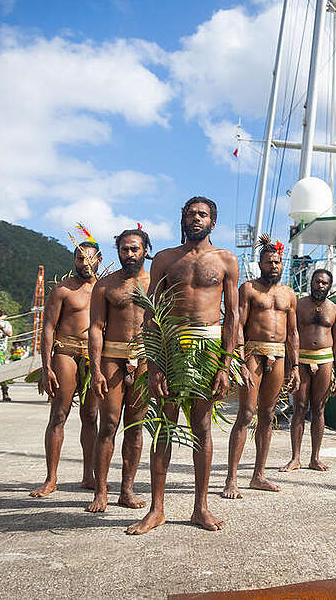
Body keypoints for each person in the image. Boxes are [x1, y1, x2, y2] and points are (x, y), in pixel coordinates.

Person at [126, 196, 238, 535]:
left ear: (213, 222)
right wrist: (153, 360)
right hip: (171, 346)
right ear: (182, 219)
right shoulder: (164, 259)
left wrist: (226, 363)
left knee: (201, 426)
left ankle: (200, 508)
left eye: (202, 214)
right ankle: (157, 509)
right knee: (164, 426)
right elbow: (150, 312)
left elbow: (233, 315)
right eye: (190, 214)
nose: (195, 219)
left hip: (207, 346)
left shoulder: (226, 261)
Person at [223, 236, 298, 499]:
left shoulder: (289, 294)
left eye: (277, 262)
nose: (274, 266)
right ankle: (231, 478)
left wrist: (295, 366)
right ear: (260, 264)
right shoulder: (249, 289)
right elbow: (237, 325)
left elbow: (293, 333)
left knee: (267, 416)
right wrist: (239, 359)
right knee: (245, 414)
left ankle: (258, 475)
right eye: (269, 262)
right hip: (254, 353)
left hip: (278, 355)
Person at [85, 228, 151, 513]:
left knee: (135, 428)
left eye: (134, 249)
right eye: (124, 249)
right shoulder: (106, 286)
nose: (129, 254)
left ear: (145, 250)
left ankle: (127, 489)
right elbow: (96, 329)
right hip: (112, 359)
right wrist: (96, 369)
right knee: (109, 425)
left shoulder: (156, 283)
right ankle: (101, 492)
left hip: (145, 360)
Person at [30, 241, 102, 498]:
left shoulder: (103, 290)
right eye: (79, 259)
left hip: (94, 356)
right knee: (59, 414)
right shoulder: (62, 290)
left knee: (91, 416)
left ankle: (89, 476)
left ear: (100, 259)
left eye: (89, 259)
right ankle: (51, 479)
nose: (84, 264)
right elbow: (48, 328)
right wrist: (46, 366)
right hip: (66, 352)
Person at [281, 269, 336, 473]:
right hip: (302, 358)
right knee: (299, 407)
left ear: (329, 286)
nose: (320, 286)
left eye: (324, 283)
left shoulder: (335, 310)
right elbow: (289, 335)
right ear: (311, 282)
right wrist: (290, 367)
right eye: (317, 281)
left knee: (319, 409)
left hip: (325, 359)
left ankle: (315, 458)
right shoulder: (299, 305)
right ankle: (295, 458)